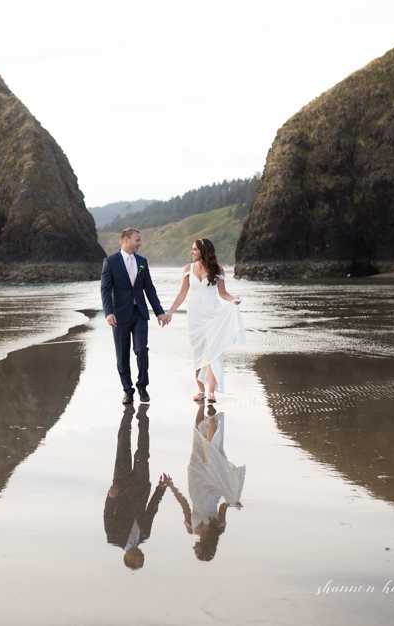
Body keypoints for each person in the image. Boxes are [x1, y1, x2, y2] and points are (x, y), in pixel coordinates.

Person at [163, 238, 245, 403]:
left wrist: (233, 299)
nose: (191, 252)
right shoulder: (188, 268)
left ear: (203, 251)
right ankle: (200, 390)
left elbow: (223, 293)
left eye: (194, 249)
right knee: (198, 351)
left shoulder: (218, 269)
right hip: (195, 316)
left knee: (213, 352)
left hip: (213, 314)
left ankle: (210, 392)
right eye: (192, 249)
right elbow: (182, 294)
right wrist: (170, 312)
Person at [164, 404, 245, 562]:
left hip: (195, 485)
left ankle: (201, 406)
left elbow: (184, 505)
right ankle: (210, 417)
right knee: (212, 453)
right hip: (211, 491)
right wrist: (232, 503)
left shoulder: (190, 528)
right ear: (206, 548)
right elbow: (222, 507)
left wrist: (171, 487)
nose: (194, 547)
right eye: (197, 550)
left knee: (197, 447)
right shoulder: (218, 529)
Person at [100, 228, 168, 405]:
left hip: (139, 313)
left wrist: (159, 311)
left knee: (141, 350)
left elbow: (149, 288)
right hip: (119, 315)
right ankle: (127, 390)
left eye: (140, 240)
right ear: (126, 240)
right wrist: (109, 313)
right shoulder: (110, 262)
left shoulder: (142, 261)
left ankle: (142, 387)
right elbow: (105, 290)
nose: (140, 243)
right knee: (122, 354)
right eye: (137, 240)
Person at [104, 405, 167, 570]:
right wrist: (160, 489)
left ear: (128, 558)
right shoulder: (145, 535)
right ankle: (142, 416)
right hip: (140, 486)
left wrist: (110, 497)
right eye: (143, 559)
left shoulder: (113, 538)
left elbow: (108, 515)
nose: (143, 556)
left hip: (121, 487)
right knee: (143, 453)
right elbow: (151, 511)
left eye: (140, 560)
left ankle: (128, 413)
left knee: (123, 447)